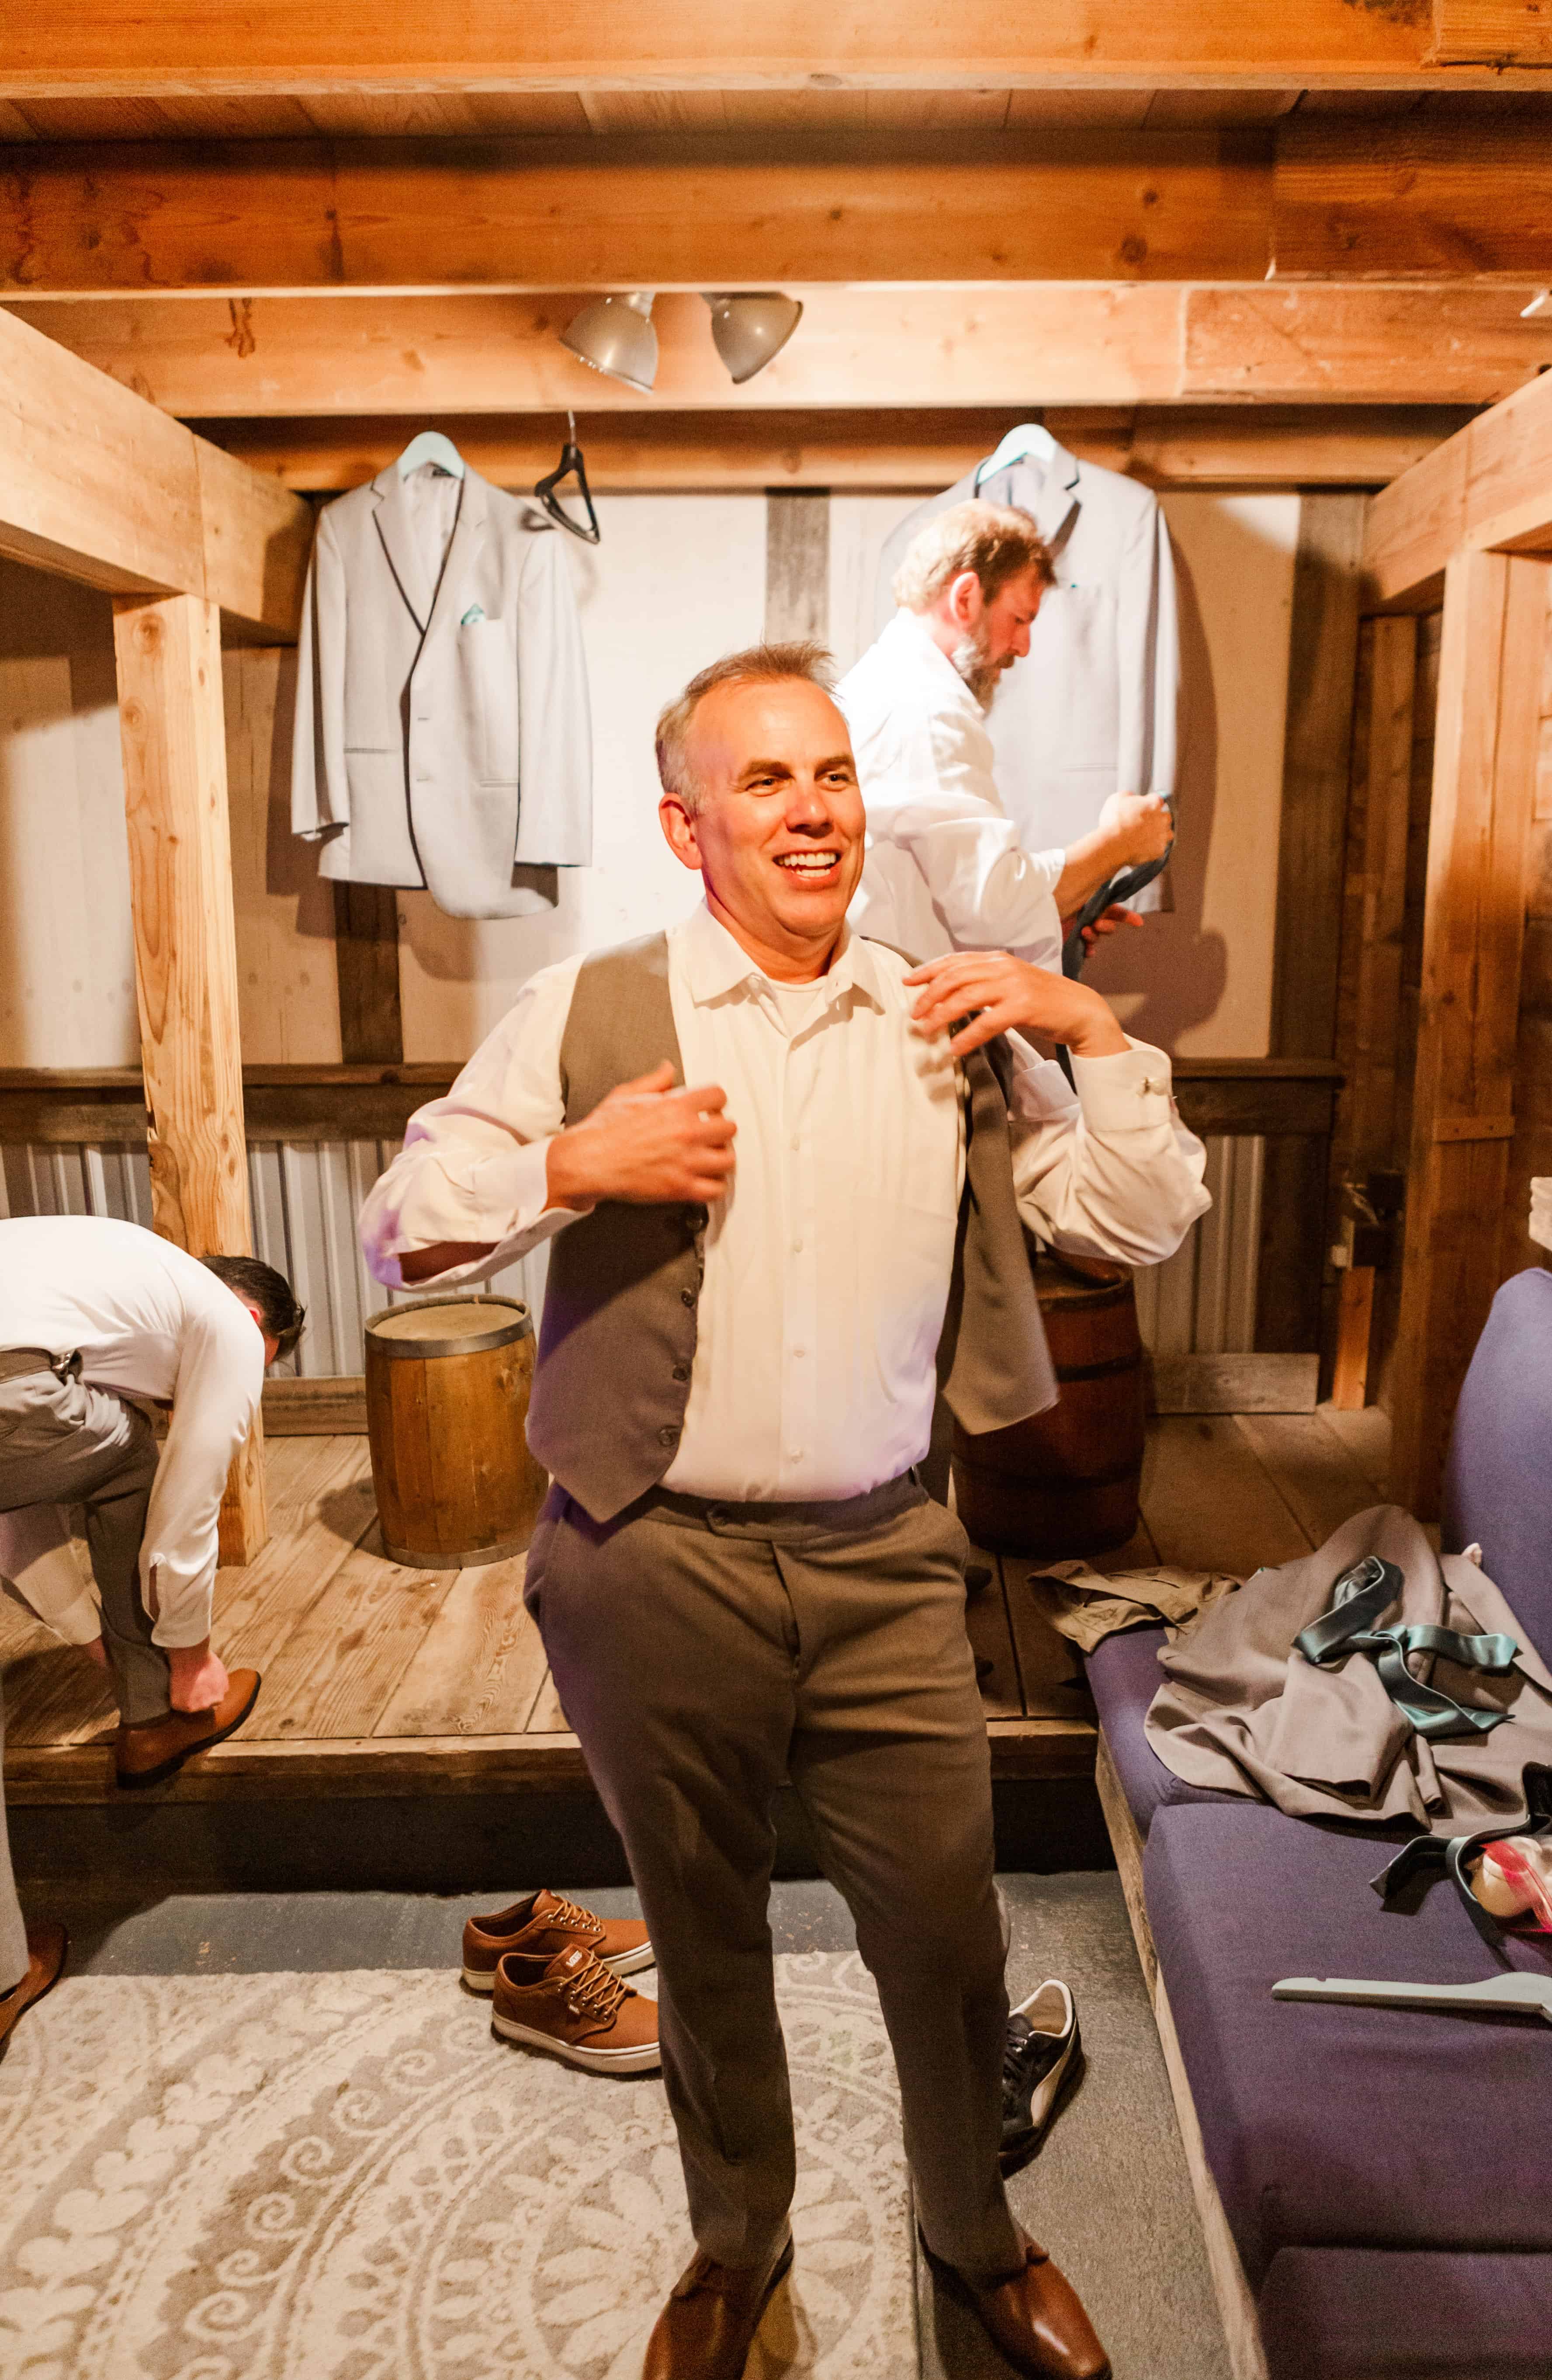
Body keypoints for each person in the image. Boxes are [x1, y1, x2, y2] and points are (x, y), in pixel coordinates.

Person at [360, 642, 1209, 2380]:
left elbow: (1128, 1217)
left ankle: (973, 2231)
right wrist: (569, 1163)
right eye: (766, 779)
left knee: (947, 1932)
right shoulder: (592, 1009)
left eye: (832, 774)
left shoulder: (944, 1013)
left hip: (890, 1557)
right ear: (688, 824)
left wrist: (1095, 1029)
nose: (814, 808)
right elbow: (401, 1224)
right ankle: (737, 2241)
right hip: (647, 1558)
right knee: (700, 1931)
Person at [0, 1218, 302, 2052]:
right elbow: (188, 1500)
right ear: (253, 1320)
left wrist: (87, 1635)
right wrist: (192, 1657)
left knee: (101, 1440)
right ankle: (156, 1715)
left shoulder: (88, 1274)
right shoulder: (227, 1325)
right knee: (134, 1455)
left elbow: (11, 1508)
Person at [839, 500, 1174, 975]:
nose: (1023, 646)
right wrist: (1120, 843)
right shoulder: (926, 710)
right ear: (965, 598)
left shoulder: (886, 683)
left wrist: (1058, 910)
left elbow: (950, 893)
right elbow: (992, 905)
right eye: (1019, 619)